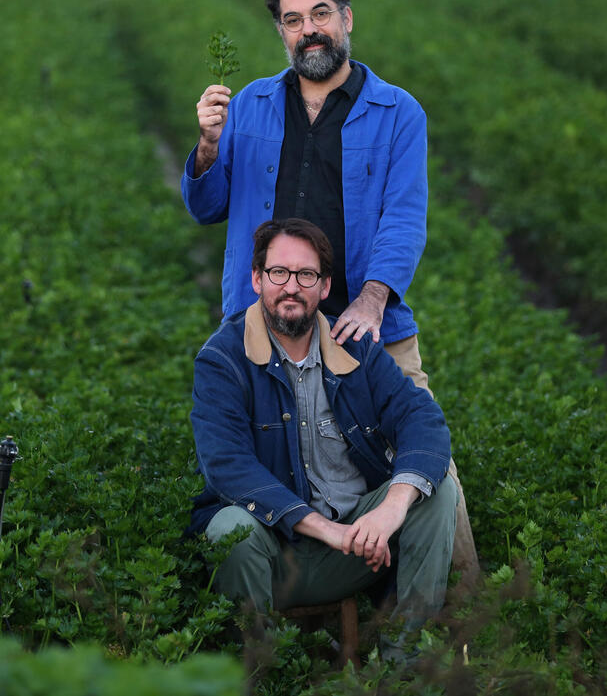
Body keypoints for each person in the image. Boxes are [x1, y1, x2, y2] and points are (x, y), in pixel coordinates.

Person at [182, 0, 480, 585]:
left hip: (364, 327)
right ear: (282, 33)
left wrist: (371, 302)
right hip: (269, 323)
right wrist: (209, 145)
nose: (308, 29)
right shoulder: (253, 107)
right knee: (267, 459)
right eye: (293, 20)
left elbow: (404, 219)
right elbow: (208, 206)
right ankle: (291, 599)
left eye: (320, 14)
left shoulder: (398, 112)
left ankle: (467, 613)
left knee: (428, 463)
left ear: (346, 19)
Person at [189, 219, 457, 647]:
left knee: (436, 491)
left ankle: (407, 663)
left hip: (356, 549)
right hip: (273, 553)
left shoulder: (356, 348)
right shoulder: (223, 358)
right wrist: (319, 526)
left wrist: (391, 507)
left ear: (325, 286)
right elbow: (227, 466)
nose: (291, 286)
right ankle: (263, 668)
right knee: (229, 527)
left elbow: (422, 420)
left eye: (306, 275)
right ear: (257, 279)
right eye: (279, 272)